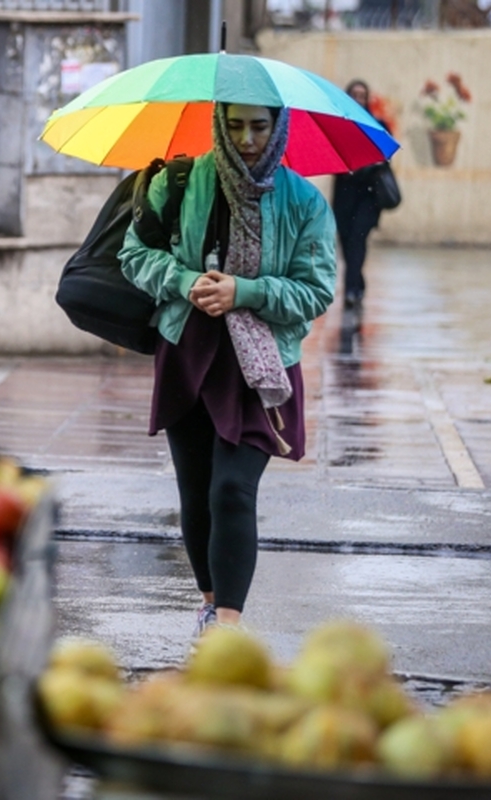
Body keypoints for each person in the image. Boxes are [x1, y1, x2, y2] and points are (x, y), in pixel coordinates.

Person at [118, 103, 337, 636]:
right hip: (189, 350)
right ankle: (211, 605)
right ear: (219, 124)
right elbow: (133, 254)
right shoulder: (180, 181)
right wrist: (182, 279)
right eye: (234, 125)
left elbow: (316, 290)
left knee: (232, 489)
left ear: (278, 126)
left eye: (259, 126)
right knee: (195, 490)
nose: (246, 139)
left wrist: (246, 291)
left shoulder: (304, 201)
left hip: (260, 365)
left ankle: (229, 625)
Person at [332, 79, 389, 311]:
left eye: (362, 95)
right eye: (354, 95)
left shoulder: (377, 125)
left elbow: (385, 157)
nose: (358, 99)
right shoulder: (339, 126)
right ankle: (357, 282)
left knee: (358, 240)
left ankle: (351, 291)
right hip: (344, 197)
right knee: (347, 244)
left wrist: (364, 166)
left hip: (368, 197)